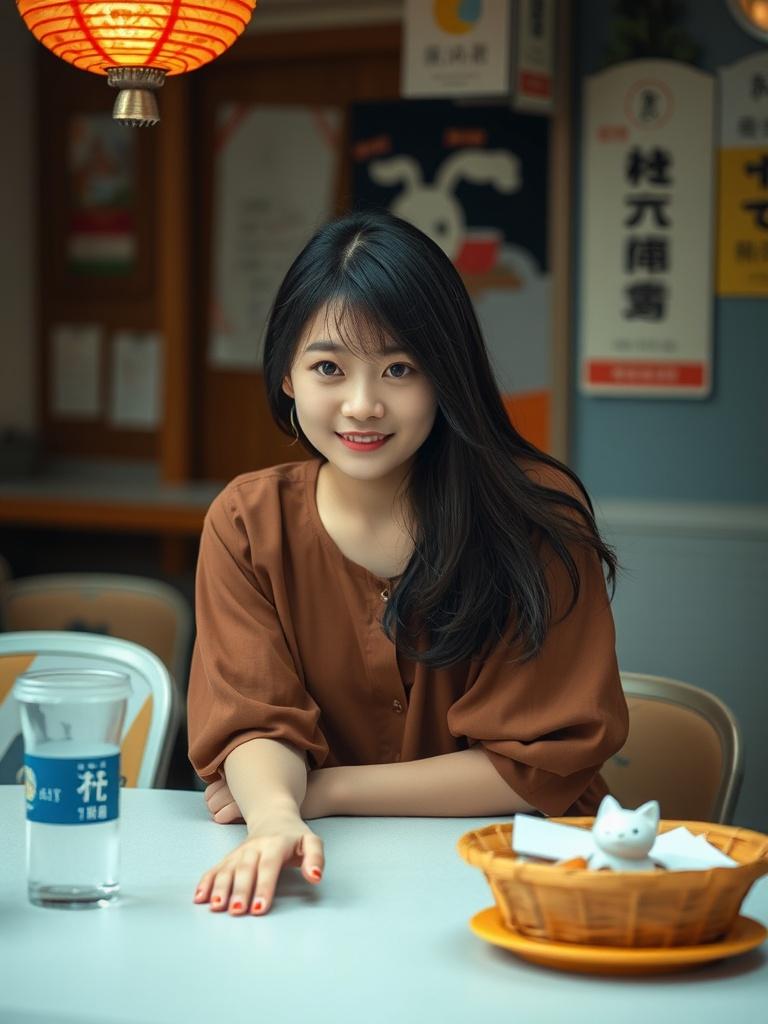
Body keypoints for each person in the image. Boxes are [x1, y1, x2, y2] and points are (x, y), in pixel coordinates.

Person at [187, 209, 629, 918]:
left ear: (446, 375)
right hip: (335, 877)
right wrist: (275, 818)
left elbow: (533, 768)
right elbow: (253, 724)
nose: (363, 405)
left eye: (400, 368)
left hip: (534, 874)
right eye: (328, 367)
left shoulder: (535, 518)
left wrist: (324, 791)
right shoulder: (246, 521)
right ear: (287, 377)